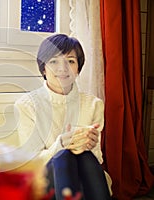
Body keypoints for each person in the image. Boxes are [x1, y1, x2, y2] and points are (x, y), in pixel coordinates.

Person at [14, 34, 112, 199]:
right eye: (54, 61)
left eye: (71, 61)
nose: (63, 68)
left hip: (85, 170)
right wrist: (60, 144)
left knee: (85, 155)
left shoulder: (94, 104)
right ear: (43, 68)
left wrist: (90, 145)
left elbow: (96, 158)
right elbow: (32, 164)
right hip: (45, 178)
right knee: (63, 155)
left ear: (78, 68)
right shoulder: (27, 105)